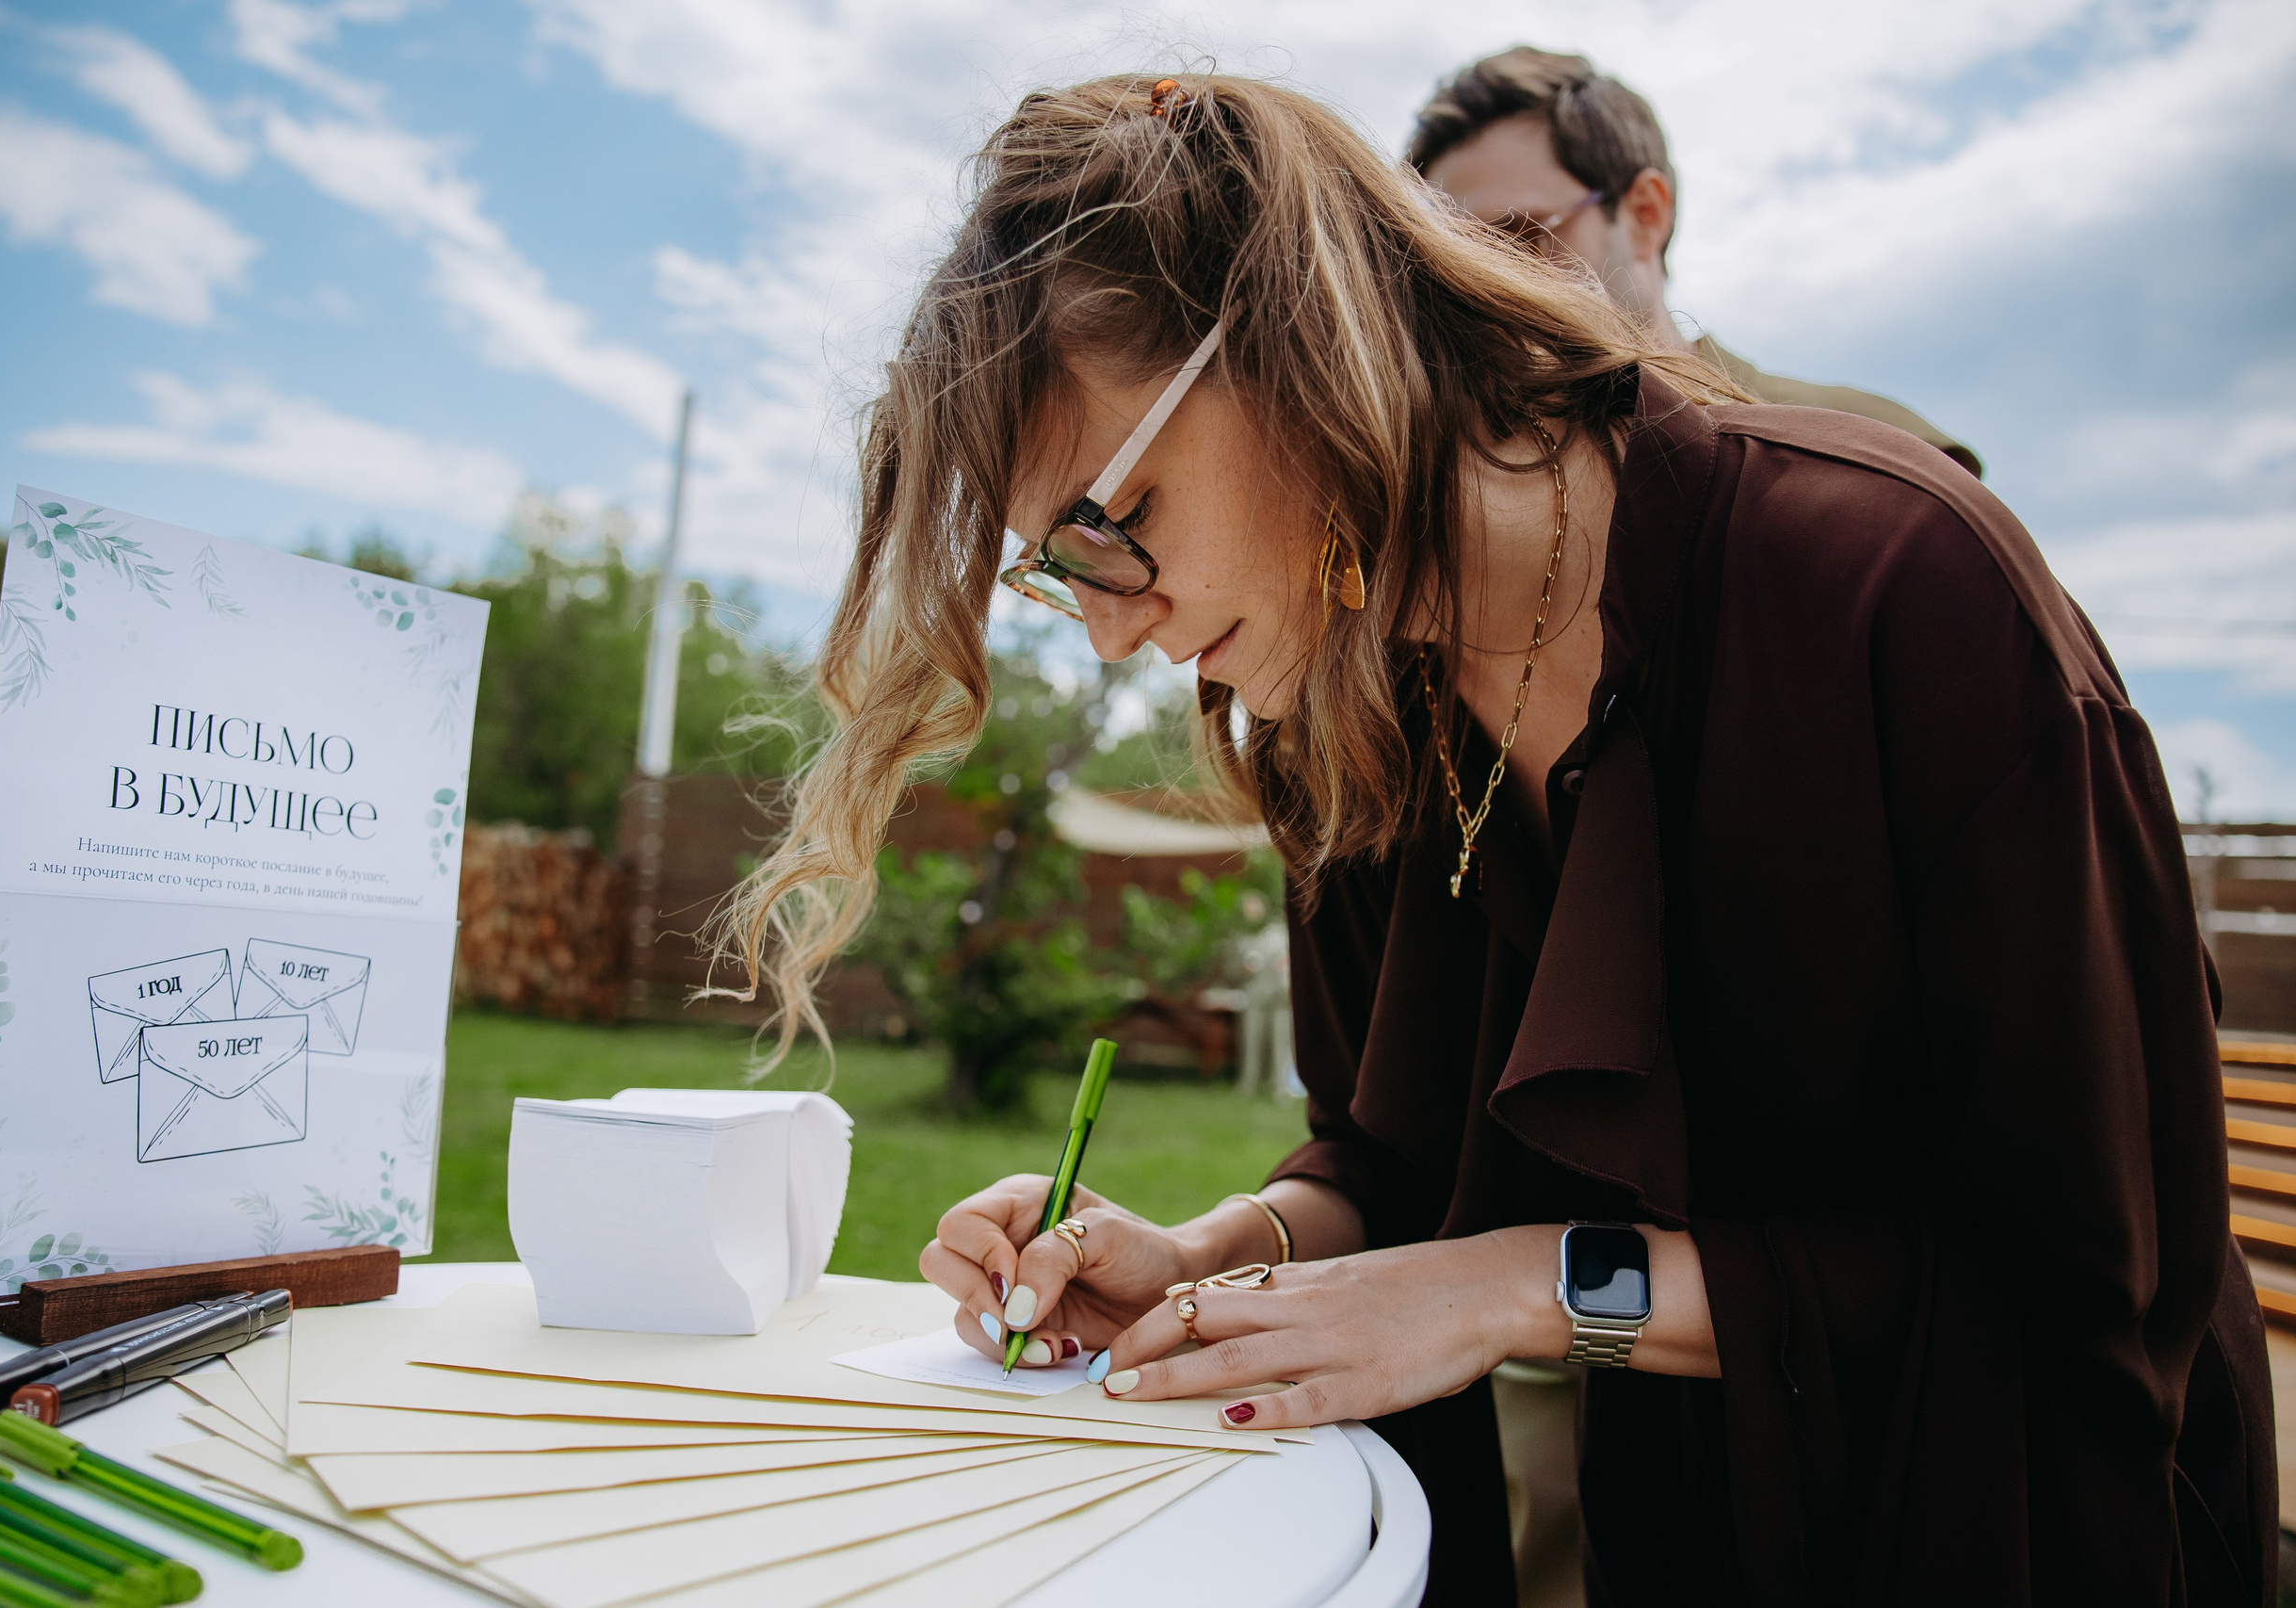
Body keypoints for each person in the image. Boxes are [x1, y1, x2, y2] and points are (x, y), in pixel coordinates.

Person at [716, 73, 2272, 1605]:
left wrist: (1523, 1285)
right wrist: (1206, 1254)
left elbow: (2065, 1271)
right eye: (1056, 576)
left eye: (1105, 528)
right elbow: (1390, 1167)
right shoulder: (1342, 705)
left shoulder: (1892, 588)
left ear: (1290, 345)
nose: (1115, 633)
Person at [1410, 46, 1985, 479]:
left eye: (1520, 238)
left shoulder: (1873, 457)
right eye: (1453, 267)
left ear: (1644, 215)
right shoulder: (1434, 516)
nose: (1482, 288)